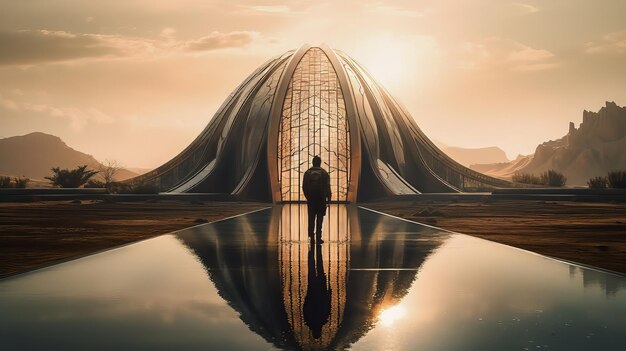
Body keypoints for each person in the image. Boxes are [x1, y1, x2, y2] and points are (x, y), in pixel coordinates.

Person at [302, 155, 331, 243]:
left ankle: (311, 236)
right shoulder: (324, 173)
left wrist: (308, 196)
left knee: (311, 217)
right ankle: (318, 237)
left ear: (312, 162)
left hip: (311, 199)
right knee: (320, 218)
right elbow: (327, 187)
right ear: (320, 163)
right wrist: (328, 199)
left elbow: (304, 187)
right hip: (321, 199)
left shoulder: (307, 173)